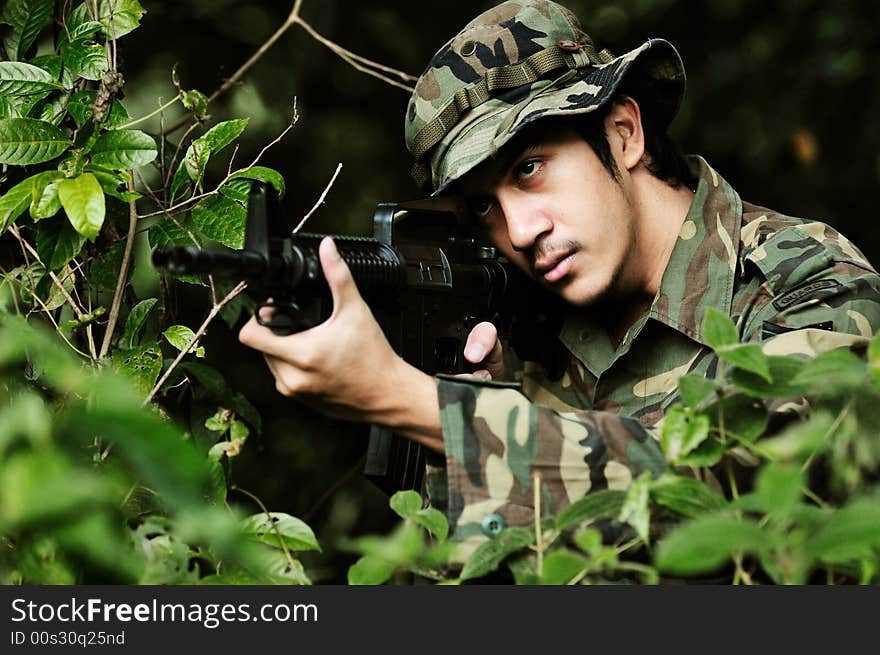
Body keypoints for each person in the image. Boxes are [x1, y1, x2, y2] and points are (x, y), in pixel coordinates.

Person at [238, 0, 880, 552]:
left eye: (529, 168)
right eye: (483, 206)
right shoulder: (525, 337)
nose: (518, 231)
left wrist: (409, 401)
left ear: (624, 134)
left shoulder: (809, 280)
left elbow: (731, 490)